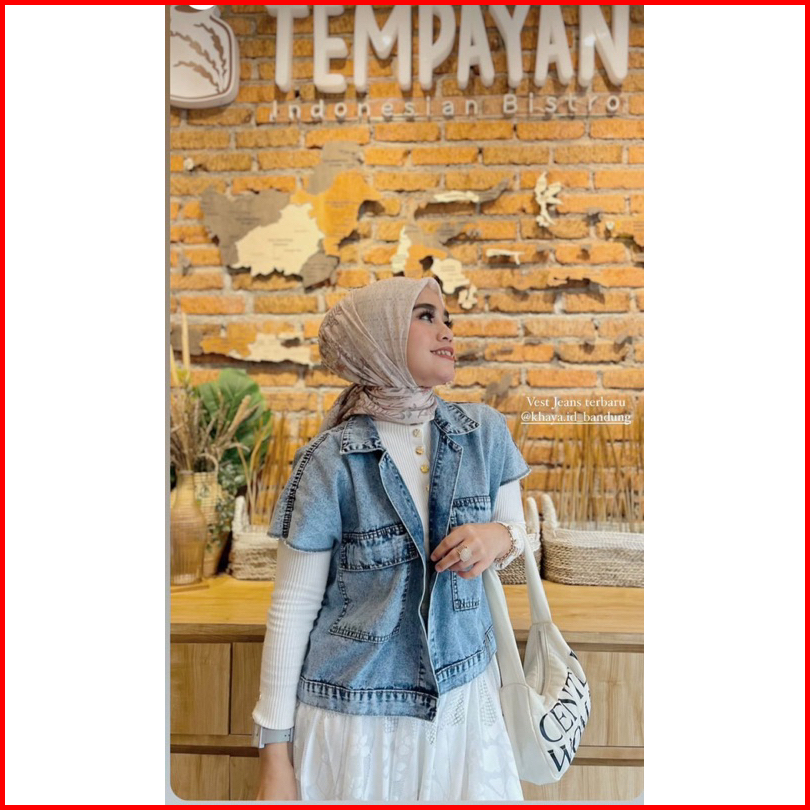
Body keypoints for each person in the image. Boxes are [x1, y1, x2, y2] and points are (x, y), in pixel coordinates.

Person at [252, 276, 531, 801]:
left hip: (463, 710)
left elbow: (522, 535)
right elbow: (292, 606)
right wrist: (274, 754)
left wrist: (497, 537)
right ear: (377, 336)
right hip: (353, 722)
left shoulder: (484, 434)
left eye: (447, 318)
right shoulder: (329, 461)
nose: (446, 331)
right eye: (425, 316)